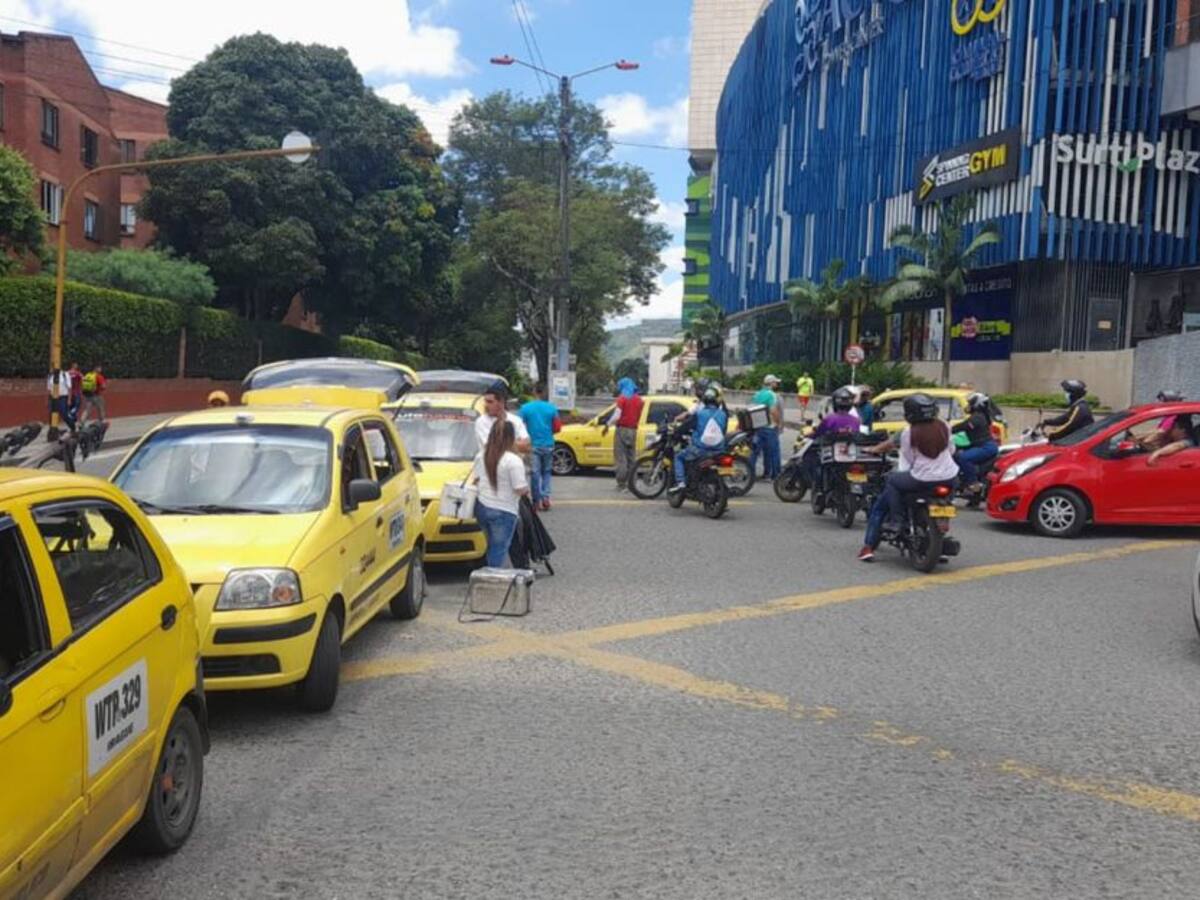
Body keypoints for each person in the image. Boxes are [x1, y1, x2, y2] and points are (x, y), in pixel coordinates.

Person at [859, 394, 960, 562]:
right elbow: (951, 449)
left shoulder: (908, 432)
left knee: (891, 484)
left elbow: (908, 458)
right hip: (950, 477)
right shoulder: (944, 426)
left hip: (922, 478)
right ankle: (939, 532)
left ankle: (892, 525)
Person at [472, 421, 530, 568]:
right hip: (503, 510)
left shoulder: (481, 455)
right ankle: (492, 581)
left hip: (482, 507)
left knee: (491, 544)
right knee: (499, 549)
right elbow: (519, 488)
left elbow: (476, 480)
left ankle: (489, 573)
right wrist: (526, 489)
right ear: (511, 438)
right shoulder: (512, 460)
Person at [670, 387, 728, 495]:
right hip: (719, 451)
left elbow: (685, 427)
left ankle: (681, 482)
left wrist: (676, 433)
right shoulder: (723, 415)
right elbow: (723, 431)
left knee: (679, 456)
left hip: (700, 450)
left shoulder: (699, 414)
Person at [802, 386, 860, 488]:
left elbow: (819, 433)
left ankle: (817, 485)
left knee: (810, 458)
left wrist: (810, 435)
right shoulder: (856, 420)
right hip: (850, 453)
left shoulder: (830, 418)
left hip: (832, 454)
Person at [519, 384, 561, 511]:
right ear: (544, 393)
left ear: (533, 392)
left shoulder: (525, 408)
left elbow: (518, 426)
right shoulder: (552, 408)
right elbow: (558, 427)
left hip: (533, 446)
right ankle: (546, 498)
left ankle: (536, 501)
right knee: (547, 472)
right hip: (548, 444)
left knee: (535, 474)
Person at [952, 392, 999, 493]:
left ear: (977, 404)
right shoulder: (980, 416)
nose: (968, 406)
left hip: (985, 447)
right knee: (957, 452)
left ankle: (973, 483)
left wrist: (948, 429)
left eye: (970, 403)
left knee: (963, 458)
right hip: (981, 445)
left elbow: (963, 426)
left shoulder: (977, 418)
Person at [603, 377, 644, 492]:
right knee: (632, 458)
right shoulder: (639, 400)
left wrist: (607, 425)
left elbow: (616, 416)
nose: (618, 388)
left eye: (619, 386)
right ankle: (632, 484)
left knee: (621, 458)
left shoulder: (622, 398)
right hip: (633, 430)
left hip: (622, 429)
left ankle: (622, 484)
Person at [476, 382, 530, 453]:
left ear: (501, 402)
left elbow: (526, 447)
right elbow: (491, 447)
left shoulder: (516, 420)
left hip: (513, 463)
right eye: (485, 401)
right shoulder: (481, 421)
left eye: (490, 402)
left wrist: (501, 444)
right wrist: (516, 444)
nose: (485, 405)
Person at [750, 374, 784, 480]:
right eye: (775, 382)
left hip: (758, 427)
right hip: (769, 426)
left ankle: (752, 472)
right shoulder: (771, 395)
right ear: (771, 383)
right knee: (774, 451)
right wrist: (778, 423)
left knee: (755, 451)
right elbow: (773, 411)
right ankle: (776, 474)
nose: (776, 384)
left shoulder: (757, 394)